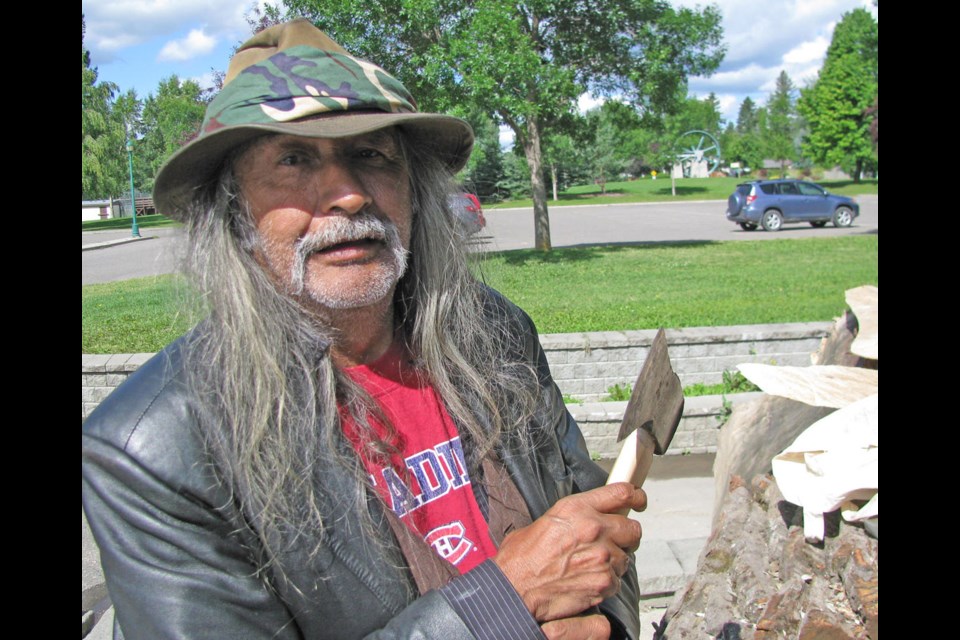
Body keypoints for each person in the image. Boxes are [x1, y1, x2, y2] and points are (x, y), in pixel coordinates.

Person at [82, 19, 644, 640]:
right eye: (293, 160)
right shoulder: (154, 450)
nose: (348, 195)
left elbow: (595, 533)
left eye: (371, 155)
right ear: (234, 211)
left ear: (414, 190)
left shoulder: (494, 331)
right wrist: (497, 610)